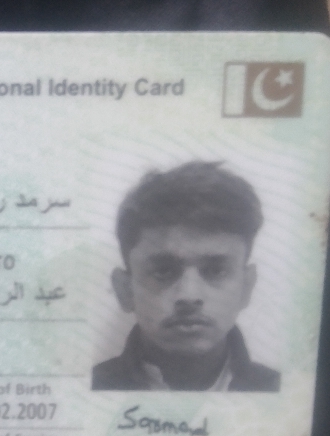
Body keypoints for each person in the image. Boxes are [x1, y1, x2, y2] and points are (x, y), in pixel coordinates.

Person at [92, 161, 280, 391]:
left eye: (216, 271)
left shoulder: (284, 394)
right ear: (125, 290)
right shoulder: (87, 389)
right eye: (163, 271)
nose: (189, 295)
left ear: (246, 287)